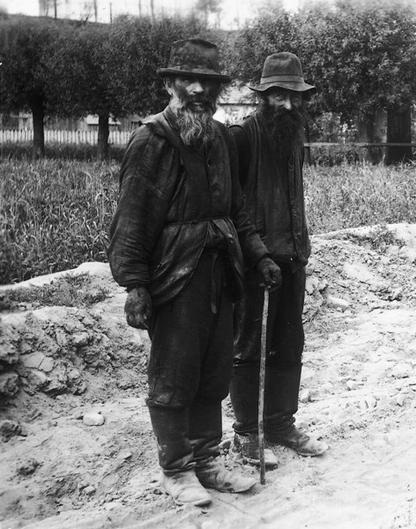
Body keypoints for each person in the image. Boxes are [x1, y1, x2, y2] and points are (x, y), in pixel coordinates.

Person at [108, 38, 281, 506]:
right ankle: (177, 468)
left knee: (213, 369)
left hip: (221, 268)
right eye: (189, 80)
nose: (199, 89)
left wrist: (259, 254)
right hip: (174, 272)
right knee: (175, 372)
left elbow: (239, 207)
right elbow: (133, 218)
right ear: (170, 84)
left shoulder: (221, 138)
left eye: (208, 82)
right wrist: (135, 285)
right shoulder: (151, 140)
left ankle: (207, 459)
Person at [228, 52, 328, 468]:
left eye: (294, 97)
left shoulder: (293, 138)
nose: (287, 104)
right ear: (263, 96)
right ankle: (247, 434)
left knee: (289, 344)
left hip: (293, 259)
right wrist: (258, 253)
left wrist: (298, 250)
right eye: (278, 96)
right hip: (256, 263)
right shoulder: (243, 138)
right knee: (250, 347)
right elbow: (234, 206)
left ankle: (282, 423)